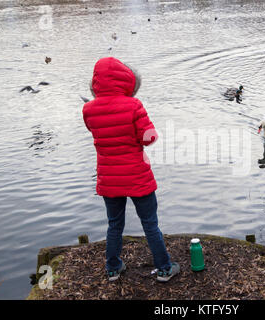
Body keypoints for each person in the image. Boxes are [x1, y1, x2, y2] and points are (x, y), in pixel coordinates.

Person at [82, 57, 180, 282]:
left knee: (114, 224)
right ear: (126, 80)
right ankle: (164, 268)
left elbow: (96, 132)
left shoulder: (88, 109)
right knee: (150, 223)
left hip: (109, 178)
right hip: (137, 176)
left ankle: (113, 268)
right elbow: (148, 137)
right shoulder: (134, 105)